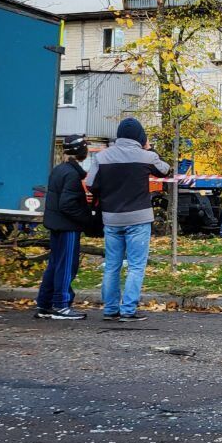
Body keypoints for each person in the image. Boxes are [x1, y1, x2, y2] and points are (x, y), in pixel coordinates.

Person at [86, 118, 171, 323]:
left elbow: (90, 184)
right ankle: (128, 310)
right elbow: (165, 169)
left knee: (112, 265)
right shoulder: (146, 156)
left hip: (112, 218)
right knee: (135, 266)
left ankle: (110, 309)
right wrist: (149, 148)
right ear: (140, 137)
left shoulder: (102, 157)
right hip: (138, 218)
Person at [36, 134, 96, 321]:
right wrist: (87, 217)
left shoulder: (59, 170)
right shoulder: (71, 174)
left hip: (56, 224)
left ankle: (44, 304)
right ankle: (61, 305)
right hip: (68, 226)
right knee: (67, 265)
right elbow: (68, 204)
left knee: (54, 264)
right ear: (81, 152)